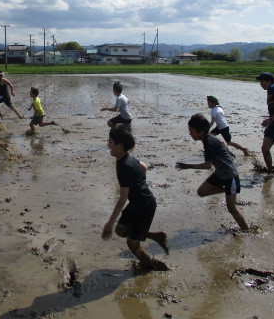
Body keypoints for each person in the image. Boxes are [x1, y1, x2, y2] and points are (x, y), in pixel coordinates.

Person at [102, 125, 169, 271]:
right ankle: (156, 236)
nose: (107, 145)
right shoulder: (126, 157)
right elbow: (144, 167)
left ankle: (147, 264)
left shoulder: (124, 166)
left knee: (131, 243)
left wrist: (109, 223)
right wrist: (139, 182)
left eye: (110, 142)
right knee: (120, 230)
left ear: (119, 146)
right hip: (138, 203)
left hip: (144, 206)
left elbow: (122, 199)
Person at [176, 113, 249, 231]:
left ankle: (246, 230)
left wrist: (188, 166)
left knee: (231, 209)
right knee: (201, 192)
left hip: (230, 176)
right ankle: (226, 190)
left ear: (200, 131)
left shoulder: (209, 142)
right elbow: (223, 145)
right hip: (220, 174)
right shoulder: (208, 139)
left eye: (191, 130)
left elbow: (208, 165)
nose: (190, 133)